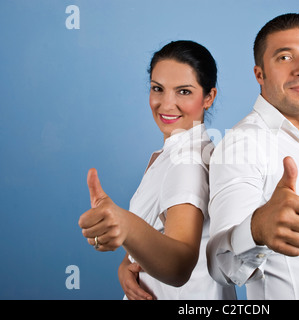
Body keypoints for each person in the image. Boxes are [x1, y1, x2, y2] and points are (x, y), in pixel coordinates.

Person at [206, 13, 299, 299]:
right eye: (285, 58)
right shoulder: (243, 143)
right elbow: (218, 263)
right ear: (259, 74)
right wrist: (255, 230)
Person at [78, 40, 236, 300]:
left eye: (184, 92)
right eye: (157, 89)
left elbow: (178, 266)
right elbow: (160, 237)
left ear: (209, 97)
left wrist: (125, 226)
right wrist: (127, 263)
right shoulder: (176, 153)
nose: (166, 104)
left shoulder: (186, 162)